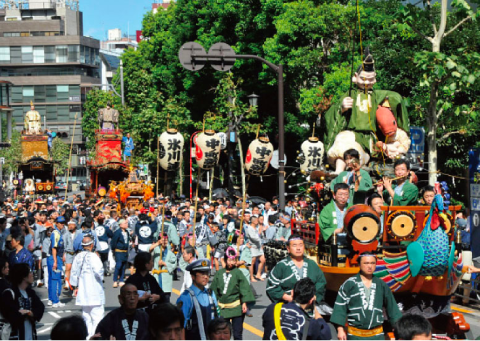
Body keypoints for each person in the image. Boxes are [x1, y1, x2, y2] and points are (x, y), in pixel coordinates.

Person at [331, 253, 402, 340]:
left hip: (377, 336)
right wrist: (340, 329)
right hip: (355, 336)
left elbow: (392, 307)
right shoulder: (349, 284)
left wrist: (397, 327)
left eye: (372, 263)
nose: (370, 266)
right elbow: (340, 307)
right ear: (359, 264)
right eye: (366, 263)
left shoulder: (381, 284)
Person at [266, 235, 327, 307]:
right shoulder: (282, 265)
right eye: (294, 245)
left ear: (304, 247)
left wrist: (314, 297)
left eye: (301, 245)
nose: (298, 248)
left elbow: (321, 282)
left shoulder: (312, 264)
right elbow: (271, 286)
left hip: (310, 306)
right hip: (288, 306)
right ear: (288, 248)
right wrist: (287, 297)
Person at [262, 278, 331, 340]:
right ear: (311, 300)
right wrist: (315, 309)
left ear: (292, 293)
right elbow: (326, 335)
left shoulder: (272, 308)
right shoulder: (309, 323)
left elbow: (265, 324)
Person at [210, 247, 255, 340]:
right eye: (229, 260)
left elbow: (244, 288)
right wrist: (213, 304)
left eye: (233, 260)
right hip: (222, 309)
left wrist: (244, 303)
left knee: (237, 334)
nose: (231, 262)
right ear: (225, 260)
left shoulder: (238, 273)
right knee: (223, 335)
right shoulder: (219, 273)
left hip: (236, 308)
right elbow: (214, 290)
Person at [69, 235, 105, 339]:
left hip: (83, 291)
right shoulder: (94, 256)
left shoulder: (78, 257)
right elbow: (99, 271)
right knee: (97, 317)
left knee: (86, 317)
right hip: (94, 291)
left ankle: (87, 337)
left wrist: (75, 287)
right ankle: (94, 337)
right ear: (92, 245)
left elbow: (74, 273)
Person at [0, 263, 45, 340]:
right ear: (23, 276)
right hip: (14, 335)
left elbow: (40, 307)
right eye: (30, 272)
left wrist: (29, 312)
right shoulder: (9, 293)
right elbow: (9, 314)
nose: (32, 274)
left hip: (30, 333)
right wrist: (22, 314)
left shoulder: (30, 292)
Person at [177, 259, 218, 340]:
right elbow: (181, 327)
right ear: (193, 276)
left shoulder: (211, 294)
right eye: (202, 274)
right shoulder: (186, 297)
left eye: (207, 273)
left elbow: (217, 319)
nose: (206, 276)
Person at [152, 232, 177, 302]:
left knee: (166, 300)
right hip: (157, 276)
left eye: (166, 240)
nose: (165, 241)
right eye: (163, 240)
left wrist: (165, 263)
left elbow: (174, 264)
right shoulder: (156, 250)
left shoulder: (170, 253)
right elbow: (149, 250)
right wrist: (157, 243)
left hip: (166, 278)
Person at [47, 216, 66, 308]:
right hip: (54, 257)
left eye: (63, 223)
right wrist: (55, 261)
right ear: (56, 223)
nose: (62, 224)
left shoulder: (57, 233)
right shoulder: (56, 233)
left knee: (51, 279)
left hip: (53, 257)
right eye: (60, 223)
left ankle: (51, 299)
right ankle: (55, 300)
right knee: (55, 279)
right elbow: (54, 248)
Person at [245, 214, 266, 282]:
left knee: (262, 260)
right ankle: (251, 276)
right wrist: (259, 232)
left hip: (258, 246)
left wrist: (261, 231)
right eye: (257, 220)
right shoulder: (249, 228)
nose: (258, 221)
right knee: (252, 261)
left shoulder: (256, 227)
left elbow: (260, 236)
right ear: (253, 221)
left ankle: (258, 274)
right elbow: (253, 238)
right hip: (252, 246)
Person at [111, 218, 130, 288]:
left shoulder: (127, 232)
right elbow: (114, 242)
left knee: (123, 266)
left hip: (125, 251)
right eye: (125, 223)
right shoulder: (117, 232)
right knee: (118, 265)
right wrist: (114, 250)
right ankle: (115, 280)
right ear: (121, 225)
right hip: (119, 251)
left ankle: (121, 279)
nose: (126, 224)